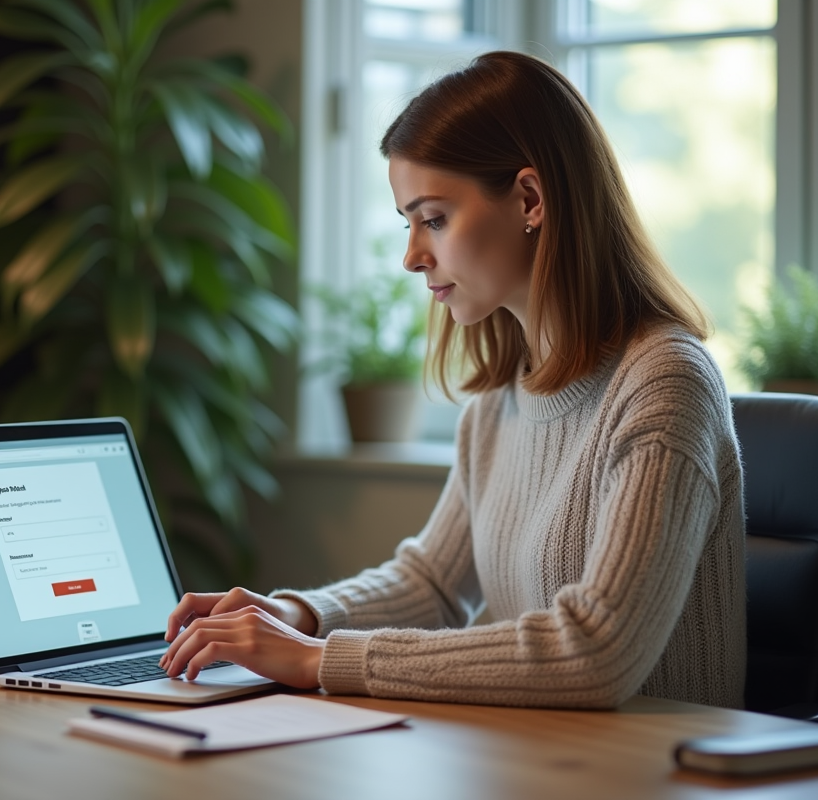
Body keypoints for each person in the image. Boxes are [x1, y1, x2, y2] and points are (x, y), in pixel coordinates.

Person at [159, 51, 746, 709]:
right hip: (539, 755)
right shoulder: (500, 401)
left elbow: (594, 652)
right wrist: (297, 616)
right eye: (408, 223)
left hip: (656, 760)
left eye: (433, 219)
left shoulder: (665, 385)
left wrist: (318, 659)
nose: (412, 256)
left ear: (529, 199)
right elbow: (435, 583)